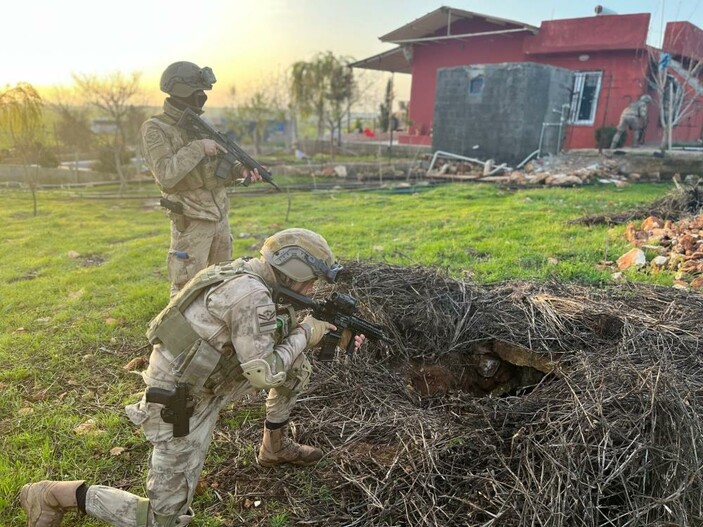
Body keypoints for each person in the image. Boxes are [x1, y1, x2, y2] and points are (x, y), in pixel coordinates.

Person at [20, 228, 365, 527]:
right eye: (310, 280)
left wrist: (330, 334)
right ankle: (53, 495)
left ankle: (274, 448)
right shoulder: (252, 295)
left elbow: (263, 334)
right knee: (163, 520)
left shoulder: (248, 274)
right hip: (179, 400)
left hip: (208, 379)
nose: (310, 289)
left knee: (296, 365)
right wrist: (307, 333)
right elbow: (263, 373)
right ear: (291, 271)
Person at [140, 61, 262, 297]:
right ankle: (177, 333)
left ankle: (214, 332)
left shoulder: (198, 124)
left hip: (219, 217)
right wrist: (198, 147)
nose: (201, 100)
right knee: (186, 288)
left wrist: (240, 171)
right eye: (197, 94)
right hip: (192, 218)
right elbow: (166, 175)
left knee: (223, 282)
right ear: (182, 92)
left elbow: (214, 169)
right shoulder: (155, 128)